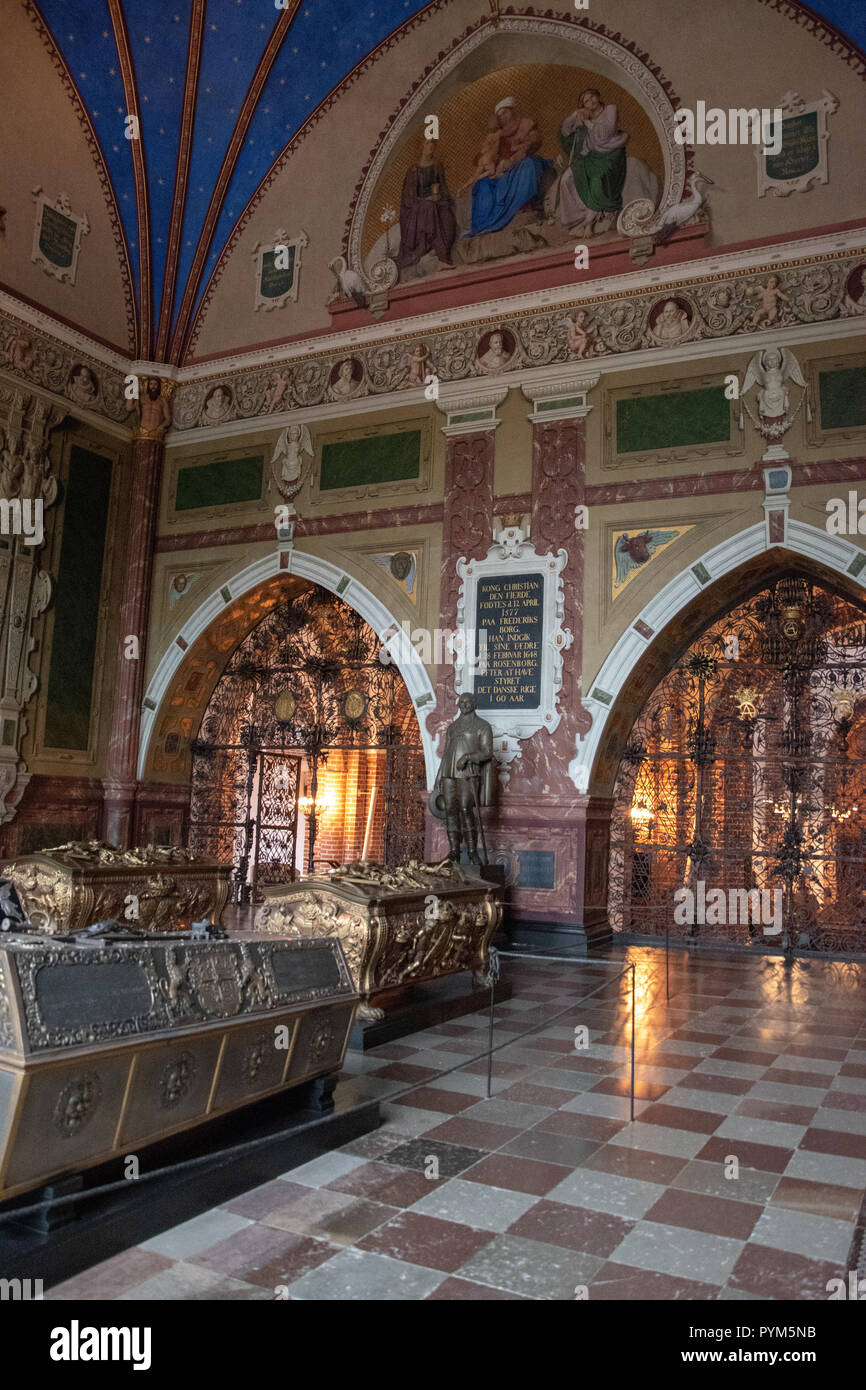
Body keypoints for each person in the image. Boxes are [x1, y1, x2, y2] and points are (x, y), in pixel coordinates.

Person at [462, 97, 550, 238]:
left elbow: (534, 141)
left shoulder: (526, 124)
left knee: (527, 166)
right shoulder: (497, 135)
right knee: (482, 184)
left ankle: (522, 205)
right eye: (499, 115)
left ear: (512, 111)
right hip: (501, 170)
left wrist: (514, 158)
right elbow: (485, 155)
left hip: (523, 160)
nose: (503, 117)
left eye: (505, 112)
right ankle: (483, 224)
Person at [429, 693, 494, 864]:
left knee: (466, 809)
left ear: (474, 704)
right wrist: (439, 777)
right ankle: (454, 852)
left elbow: (487, 752)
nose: (464, 705)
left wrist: (468, 757)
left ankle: (472, 852)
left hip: (468, 774)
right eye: (462, 702)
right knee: (450, 810)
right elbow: (445, 755)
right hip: (449, 773)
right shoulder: (452, 728)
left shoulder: (482, 726)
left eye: (468, 702)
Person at [555, 88, 628, 233]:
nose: (590, 102)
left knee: (596, 180)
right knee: (566, 179)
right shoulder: (583, 116)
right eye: (586, 101)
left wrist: (587, 122)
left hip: (609, 154)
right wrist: (574, 115)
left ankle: (591, 220)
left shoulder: (610, 110)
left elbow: (604, 135)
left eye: (592, 97)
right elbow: (565, 131)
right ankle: (577, 217)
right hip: (589, 156)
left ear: (598, 96)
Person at [396, 138, 456, 272]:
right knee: (429, 208)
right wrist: (427, 199)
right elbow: (408, 198)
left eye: (432, 143)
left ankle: (437, 248)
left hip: (435, 202)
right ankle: (443, 259)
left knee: (447, 214)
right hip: (416, 207)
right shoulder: (413, 170)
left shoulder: (437, 166)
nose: (431, 146)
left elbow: (443, 188)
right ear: (421, 147)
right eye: (427, 143)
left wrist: (439, 196)